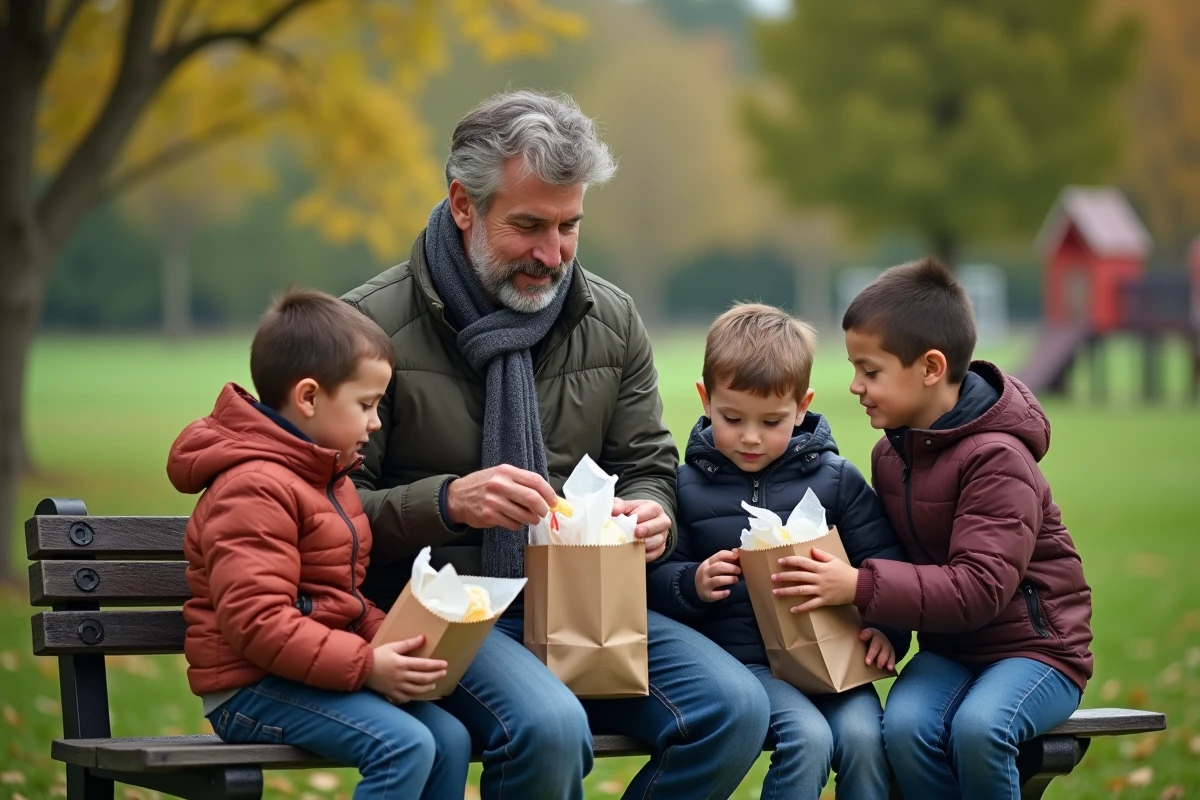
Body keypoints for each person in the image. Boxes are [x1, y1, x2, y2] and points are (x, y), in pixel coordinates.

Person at [343, 90, 771, 799]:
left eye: (570, 225)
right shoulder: (365, 330)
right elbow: (331, 513)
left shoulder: (611, 317)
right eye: (529, 225)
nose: (552, 254)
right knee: (548, 726)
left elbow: (646, 462)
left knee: (734, 709)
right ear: (462, 205)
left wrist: (648, 508)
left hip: (586, 606)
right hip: (438, 610)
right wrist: (449, 502)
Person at [778, 258, 1093, 800]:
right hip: (950, 650)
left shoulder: (997, 459)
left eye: (870, 370)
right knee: (903, 729)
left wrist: (858, 585)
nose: (855, 386)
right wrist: (883, 627)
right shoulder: (891, 452)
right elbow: (901, 561)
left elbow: (980, 587)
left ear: (929, 367)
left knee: (979, 730)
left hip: (1037, 652)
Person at [168, 289, 471, 800]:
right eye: (367, 405)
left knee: (450, 737)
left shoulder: (326, 478)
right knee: (403, 746)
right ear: (308, 397)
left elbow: (340, 602)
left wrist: (399, 638)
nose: (375, 422)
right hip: (250, 687)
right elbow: (258, 623)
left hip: (308, 670)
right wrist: (368, 664)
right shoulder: (255, 487)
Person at [648, 303, 909, 800]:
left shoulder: (837, 480)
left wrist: (887, 631)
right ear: (705, 399)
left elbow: (884, 562)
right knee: (807, 740)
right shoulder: (684, 487)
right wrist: (693, 583)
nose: (750, 437)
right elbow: (652, 582)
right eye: (732, 417)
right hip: (744, 667)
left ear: (802, 406)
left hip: (837, 664)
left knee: (863, 739)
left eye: (771, 421)